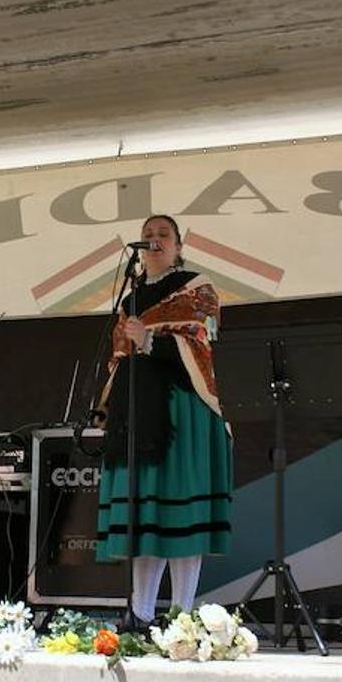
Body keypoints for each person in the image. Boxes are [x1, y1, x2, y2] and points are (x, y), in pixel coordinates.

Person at [95, 214, 233, 627]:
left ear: (177, 246)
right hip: (138, 407)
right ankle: (139, 612)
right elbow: (120, 353)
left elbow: (205, 339)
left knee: (180, 516)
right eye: (147, 235)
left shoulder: (197, 287)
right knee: (146, 516)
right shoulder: (130, 297)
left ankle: (184, 617)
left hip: (180, 406)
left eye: (163, 235)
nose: (154, 241)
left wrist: (150, 339)